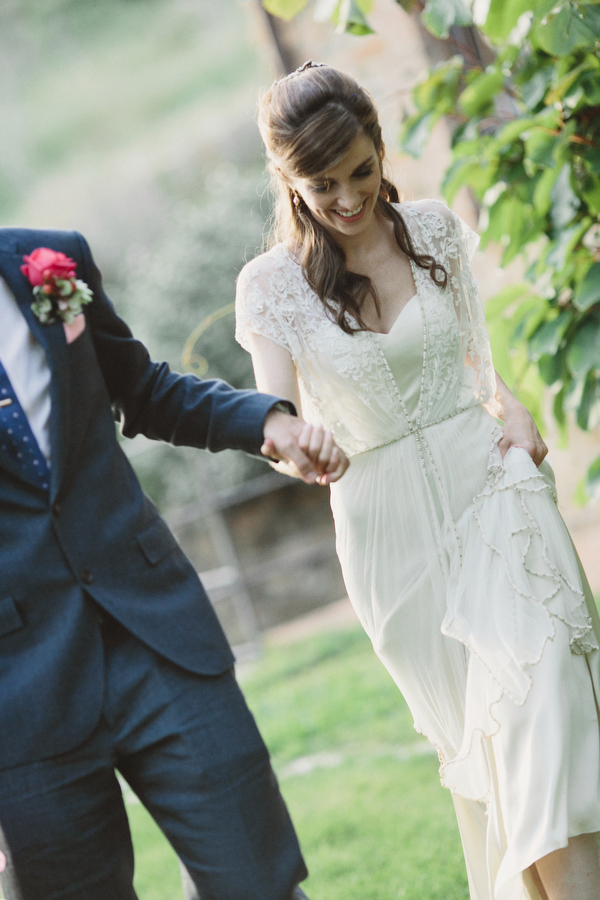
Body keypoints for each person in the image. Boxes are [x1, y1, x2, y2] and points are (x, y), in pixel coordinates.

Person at [234, 61, 600, 900]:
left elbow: (483, 369)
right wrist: (295, 444)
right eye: (322, 184)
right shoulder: (272, 286)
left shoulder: (432, 231)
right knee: (488, 764)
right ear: (287, 179)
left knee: (543, 713)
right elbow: (274, 421)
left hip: (494, 497)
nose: (350, 197)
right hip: (388, 539)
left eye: (362, 170)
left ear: (380, 148)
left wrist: (515, 412)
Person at [0, 225, 348, 900]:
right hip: (19, 693)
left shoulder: (48, 262)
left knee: (259, 881)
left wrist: (267, 424)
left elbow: (143, 389)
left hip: (156, 632)